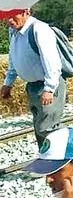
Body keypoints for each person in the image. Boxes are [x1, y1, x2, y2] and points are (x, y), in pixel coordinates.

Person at [2, 9, 67, 146]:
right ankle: (48, 161)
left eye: (13, 16)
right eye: (6, 17)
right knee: (39, 128)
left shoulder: (39, 29)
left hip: (47, 86)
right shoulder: (13, 31)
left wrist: (49, 89)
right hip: (32, 87)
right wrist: (8, 83)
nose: (9, 21)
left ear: (26, 12)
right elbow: (13, 57)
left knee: (48, 128)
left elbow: (52, 62)